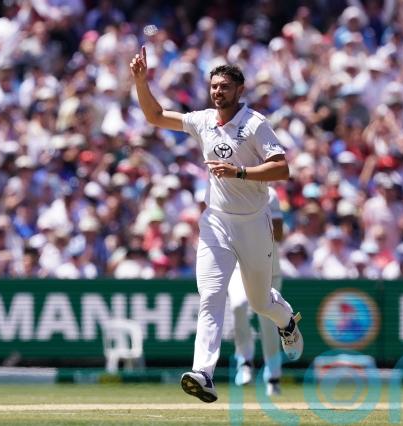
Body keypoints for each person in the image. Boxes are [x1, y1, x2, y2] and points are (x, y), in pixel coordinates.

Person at [130, 47, 303, 403]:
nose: (218, 92)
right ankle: (203, 373)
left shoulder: (255, 124)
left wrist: (240, 172)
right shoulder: (203, 120)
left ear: (240, 89)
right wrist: (141, 82)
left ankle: (286, 320)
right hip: (216, 221)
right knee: (211, 296)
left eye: (224, 86)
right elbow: (155, 116)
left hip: (253, 223)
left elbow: (282, 168)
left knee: (259, 302)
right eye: (214, 86)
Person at [229, 186, 284, 396]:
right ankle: (244, 362)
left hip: (268, 268)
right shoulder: (229, 193)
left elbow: (279, 235)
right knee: (238, 305)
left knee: (267, 320)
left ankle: (273, 375)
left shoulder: (271, 195)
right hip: (238, 264)